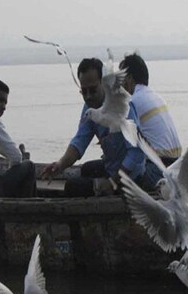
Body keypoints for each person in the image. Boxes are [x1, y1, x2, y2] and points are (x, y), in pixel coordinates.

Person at [42, 57, 158, 197]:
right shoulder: (90, 108)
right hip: (112, 167)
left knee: (72, 186)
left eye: (93, 90)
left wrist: (112, 182)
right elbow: (79, 141)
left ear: (103, 84)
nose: (88, 96)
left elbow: (136, 153)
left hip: (131, 177)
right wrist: (60, 165)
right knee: (86, 169)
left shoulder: (122, 107)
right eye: (84, 92)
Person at [119, 53, 182, 166]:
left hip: (159, 165)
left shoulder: (133, 102)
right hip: (177, 162)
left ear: (129, 78)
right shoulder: (157, 97)